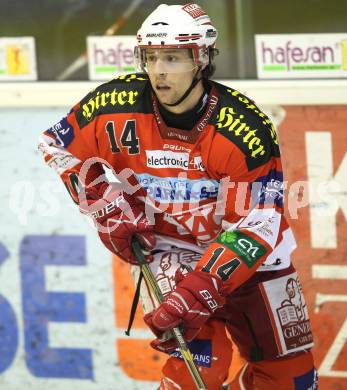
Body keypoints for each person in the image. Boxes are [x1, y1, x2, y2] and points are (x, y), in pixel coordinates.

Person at [39, 3, 318, 389]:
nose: (158, 71)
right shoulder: (114, 106)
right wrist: (103, 202)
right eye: (150, 58)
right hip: (170, 250)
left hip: (254, 261)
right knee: (197, 373)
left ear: (201, 58)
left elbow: (259, 221)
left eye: (172, 57)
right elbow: (55, 144)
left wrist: (205, 283)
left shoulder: (245, 129)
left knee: (292, 378)